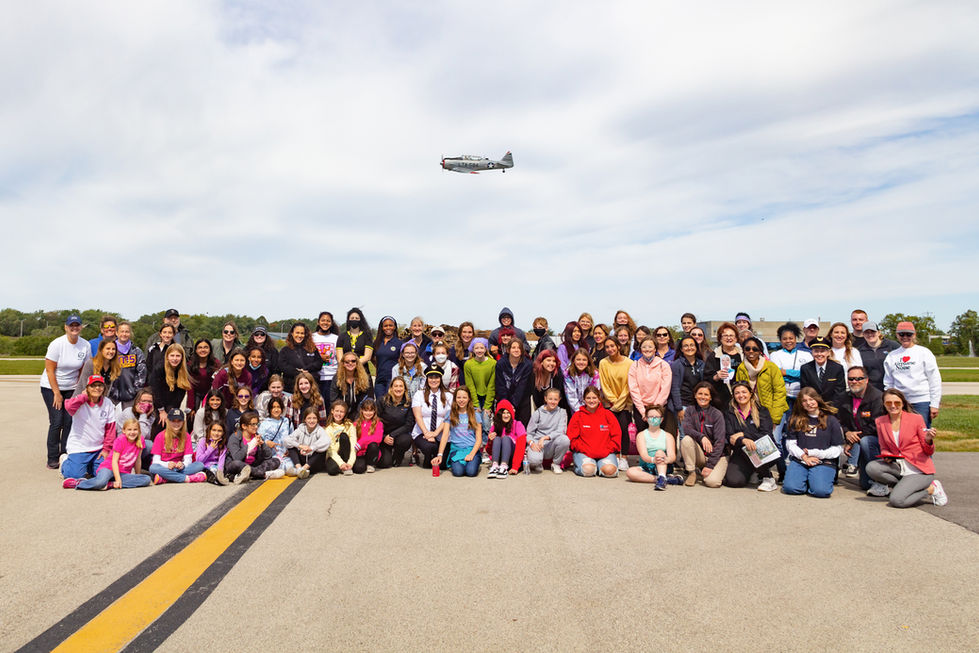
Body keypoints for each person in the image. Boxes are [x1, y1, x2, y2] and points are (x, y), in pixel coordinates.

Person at [866, 389, 948, 507]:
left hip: (919, 470)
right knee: (872, 468)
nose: (893, 406)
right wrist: (886, 456)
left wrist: (928, 440)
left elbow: (928, 451)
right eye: (889, 403)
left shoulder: (916, 419)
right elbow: (883, 446)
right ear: (884, 404)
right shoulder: (880, 421)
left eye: (897, 403)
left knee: (896, 501)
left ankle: (931, 489)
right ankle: (903, 487)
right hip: (899, 467)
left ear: (903, 403)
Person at [768, 323, 813, 481]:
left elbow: (807, 374)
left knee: (797, 435)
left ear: (796, 339)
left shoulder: (806, 355)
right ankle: (782, 470)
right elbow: (776, 375)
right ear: (780, 340)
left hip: (800, 401)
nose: (788, 341)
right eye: (784, 338)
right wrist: (796, 374)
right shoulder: (775, 355)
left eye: (791, 338)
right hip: (781, 400)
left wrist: (787, 372)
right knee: (777, 435)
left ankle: (797, 467)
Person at [781, 388, 844, 498]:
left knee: (820, 491)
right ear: (801, 404)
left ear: (817, 399)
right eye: (804, 401)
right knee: (791, 488)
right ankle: (808, 479)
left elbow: (837, 449)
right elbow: (790, 444)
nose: (808, 403)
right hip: (801, 460)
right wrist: (804, 456)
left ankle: (815, 480)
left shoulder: (831, 420)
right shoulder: (795, 419)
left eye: (811, 399)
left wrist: (818, 454)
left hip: (824, 461)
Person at [64, 418, 153, 491]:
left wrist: (137, 476)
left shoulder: (140, 440)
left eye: (135, 429)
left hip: (123, 472)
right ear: (124, 431)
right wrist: (118, 479)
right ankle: (79, 483)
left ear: (139, 431)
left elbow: (138, 460)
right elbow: (114, 462)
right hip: (109, 468)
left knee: (146, 479)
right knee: (101, 482)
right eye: (129, 429)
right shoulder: (120, 440)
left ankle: (111, 484)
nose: (132, 432)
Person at [883, 322, 942, 427]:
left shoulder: (924, 353)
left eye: (908, 334)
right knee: (901, 433)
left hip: (921, 401)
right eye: (901, 334)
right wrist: (890, 400)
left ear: (914, 334)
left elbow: (934, 380)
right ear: (897, 335)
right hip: (899, 402)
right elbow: (889, 382)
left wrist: (934, 404)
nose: (905, 337)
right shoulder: (892, 356)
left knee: (922, 433)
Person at [836, 366, 885, 490]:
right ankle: (872, 479)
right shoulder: (844, 398)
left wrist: (854, 439)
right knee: (865, 484)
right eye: (851, 379)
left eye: (859, 378)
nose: (854, 382)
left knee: (866, 441)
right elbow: (841, 421)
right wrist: (847, 433)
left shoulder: (877, 398)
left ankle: (880, 478)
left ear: (866, 380)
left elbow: (875, 425)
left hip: (876, 441)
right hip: (859, 439)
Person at [59, 375, 115, 481]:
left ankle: (89, 466)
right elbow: (68, 407)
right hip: (80, 447)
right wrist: (83, 397)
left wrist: (107, 449)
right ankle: (65, 462)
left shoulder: (107, 403)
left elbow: (110, 429)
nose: (97, 388)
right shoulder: (80, 402)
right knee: (75, 476)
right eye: (93, 386)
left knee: (105, 474)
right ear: (87, 388)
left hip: (98, 449)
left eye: (100, 385)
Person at [723, 382, 777, 491]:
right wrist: (743, 440)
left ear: (751, 393)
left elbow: (766, 434)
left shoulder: (762, 410)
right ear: (733, 395)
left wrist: (743, 435)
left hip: (763, 450)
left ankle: (768, 478)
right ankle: (753, 471)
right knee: (734, 481)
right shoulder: (729, 413)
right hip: (741, 452)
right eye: (737, 393)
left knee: (753, 449)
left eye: (744, 392)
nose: (741, 395)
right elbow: (730, 436)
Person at [734, 336, 788, 433]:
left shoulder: (771, 367)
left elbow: (780, 393)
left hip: (771, 411)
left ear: (760, 351)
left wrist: (774, 419)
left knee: (773, 442)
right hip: (751, 412)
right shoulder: (741, 368)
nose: (751, 351)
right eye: (747, 349)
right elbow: (739, 392)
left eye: (755, 349)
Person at [680, 382, 727, 488]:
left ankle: (711, 470)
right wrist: (702, 437)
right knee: (686, 440)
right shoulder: (690, 410)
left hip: (717, 455)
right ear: (695, 395)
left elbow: (720, 442)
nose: (703, 397)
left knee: (712, 482)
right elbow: (686, 429)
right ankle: (692, 472)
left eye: (706, 394)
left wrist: (710, 465)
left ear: (711, 398)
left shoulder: (717, 414)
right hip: (700, 454)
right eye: (700, 394)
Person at [567, 385, 621, 477]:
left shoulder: (608, 415)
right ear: (584, 400)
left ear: (599, 399)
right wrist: (585, 449)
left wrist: (607, 450)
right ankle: (587, 466)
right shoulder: (578, 416)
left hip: (605, 453)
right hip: (584, 452)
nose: (591, 401)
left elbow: (616, 436)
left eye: (594, 398)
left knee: (610, 471)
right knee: (588, 470)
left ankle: (599, 465)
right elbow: (571, 439)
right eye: (588, 398)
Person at [432, 386, 484, 478]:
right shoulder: (450, 413)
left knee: (471, 472)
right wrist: (440, 455)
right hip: (456, 450)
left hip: (471, 449)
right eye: (459, 397)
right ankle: (458, 462)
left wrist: (472, 454)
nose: (461, 400)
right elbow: (445, 436)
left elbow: (479, 439)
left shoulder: (476, 415)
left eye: (464, 397)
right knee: (458, 472)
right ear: (455, 399)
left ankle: (475, 460)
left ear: (469, 399)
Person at [598, 337, 633, 471]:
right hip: (609, 403)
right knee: (611, 430)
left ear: (618, 346)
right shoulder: (603, 363)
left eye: (612, 346)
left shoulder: (629, 363)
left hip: (625, 403)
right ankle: (614, 455)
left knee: (623, 428)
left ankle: (624, 458)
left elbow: (628, 385)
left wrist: (619, 403)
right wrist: (612, 401)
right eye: (607, 347)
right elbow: (604, 384)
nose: (610, 349)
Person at [625, 405, 677, 490]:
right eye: (651, 416)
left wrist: (666, 460)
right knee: (630, 472)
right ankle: (663, 479)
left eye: (656, 417)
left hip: (663, 464)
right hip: (647, 465)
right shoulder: (641, 435)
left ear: (662, 419)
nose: (653, 419)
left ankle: (662, 475)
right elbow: (643, 455)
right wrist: (653, 460)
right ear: (646, 418)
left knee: (659, 452)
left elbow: (672, 456)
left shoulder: (668, 436)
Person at [148, 409, 207, 484]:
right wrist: (167, 464)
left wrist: (183, 464)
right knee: (153, 468)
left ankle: (166, 478)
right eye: (173, 421)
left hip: (179, 468)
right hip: (165, 467)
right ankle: (187, 478)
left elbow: (188, 459)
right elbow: (156, 460)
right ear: (168, 421)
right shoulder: (160, 436)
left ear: (183, 422)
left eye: (179, 421)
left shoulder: (186, 436)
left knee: (200, 465)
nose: (176, 423)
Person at [628, 337, 673, 433]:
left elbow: (665, 388)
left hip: (659, 408)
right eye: (644, 347)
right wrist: (643, 411)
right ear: (640, 349)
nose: (647, 349)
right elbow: (633, 389)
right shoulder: (635, 365)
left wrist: (655, 410)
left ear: (655, 349)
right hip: (641, 409)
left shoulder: (663, 365)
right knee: (642, 439)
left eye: (650, 347)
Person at [411, 366, 452, 468]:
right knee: (430, 447)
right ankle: (428, 457)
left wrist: (435, 433)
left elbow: (448, 417)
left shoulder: (448, 396)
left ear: (441, 379)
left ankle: (435, 455)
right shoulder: (419, 394)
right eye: (431, 377)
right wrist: (427, 433)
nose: (434, 380)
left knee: (442, 465)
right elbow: (418, 416)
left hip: (441, 433)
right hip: (422, 433)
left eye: (436, 377)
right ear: (427, 379)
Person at [226, 410, 283, 482]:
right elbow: (237, 457)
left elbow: (268, 457)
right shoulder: (235, 437)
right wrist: (250, 444)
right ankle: (263, 475)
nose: (256, 427)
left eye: (257, 424)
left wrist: (263, 445)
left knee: (276, 460)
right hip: (238, 465)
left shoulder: (256, 436)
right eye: (253, 424)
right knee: (236, 463)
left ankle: (250, 475)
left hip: (254, 465)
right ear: (244, 426)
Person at [149, 343, 191, 436]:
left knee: (174, 421)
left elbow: (181, 392)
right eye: (172, 355)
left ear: (182, 357)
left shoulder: (184, 369)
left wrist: (172, 410)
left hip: (172, 402)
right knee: (162, 422)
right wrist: (162, 411)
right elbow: (155, 391)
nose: (175, 359)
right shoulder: (159, 368)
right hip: (158, 401)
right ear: (167, 357)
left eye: (177, 356)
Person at [525, 387, 570, 473]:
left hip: (552, 443)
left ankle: (556, 464)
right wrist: (531, 443)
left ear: (559, 400)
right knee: (534, 460)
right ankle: (537, 463)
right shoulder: (538, 413)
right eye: (550, 399)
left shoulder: (562, 412)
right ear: (545, 399)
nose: (553, 402)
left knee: (565, 440)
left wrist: (545, 438)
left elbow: (561, 431)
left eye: (555, 399)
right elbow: (529, 433)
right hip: (538, 444)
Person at [668, 336, 705, 436]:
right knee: (685, 435)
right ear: (681, 349)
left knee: (699, 434)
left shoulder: (701, 364)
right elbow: (674, 388)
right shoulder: (677, 365)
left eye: (692, 345)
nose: (689, 348)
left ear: (696, 347)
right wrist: (679, 408)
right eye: (686, 346)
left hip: (698, 405)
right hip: (683, 405)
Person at [283, 407, 332, 478]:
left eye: (314, 418)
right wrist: (300, 446)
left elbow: (326, 441)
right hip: (302, 458)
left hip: (313, 463)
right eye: (309, 418)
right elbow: (286, 440)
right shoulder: (300, 428)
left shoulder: (320, 430)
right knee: (291, 446)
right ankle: (299, 469)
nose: (311, 421)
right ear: (305, 419)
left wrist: (311, 448)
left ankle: (302, 469)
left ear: (318, 419)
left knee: (322, 450)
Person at [495, 338, 533, 426]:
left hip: (522, 401)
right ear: (508, 350)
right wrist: (507, 404)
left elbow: (522, 386)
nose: (516, 350)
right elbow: (500, 385)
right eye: (513, 347)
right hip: (505, 399)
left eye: (519, 348)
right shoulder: (500, 364)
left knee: (521, 427)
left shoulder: (528, 364)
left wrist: (513, 405)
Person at [704, 322, 742, 409]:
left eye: (731, 335)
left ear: (736, 338)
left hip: (742, 397)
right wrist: (716, 376)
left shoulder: (743, 353)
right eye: (725, 335)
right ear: (720, 338)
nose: (729, 338)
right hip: (722, 400)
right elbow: (706, 377)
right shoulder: (714, 356)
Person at [485, 399, 527, 478]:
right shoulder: (494, 427)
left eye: (508, 413)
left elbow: (521, 447)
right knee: (497, 439)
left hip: (512, 459)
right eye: (503, 413)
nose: (506, 415)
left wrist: (515, 467)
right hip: (498, 458)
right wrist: (490, 441)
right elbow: (489, 451)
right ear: (499, 414)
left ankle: (504, 467)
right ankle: (495, 467)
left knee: (506, 438)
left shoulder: (518, 424)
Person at [799, 337, 846, 406]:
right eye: (816, 351)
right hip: (812, 407)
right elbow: (805, 391)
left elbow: (840, 392)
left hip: (832, 408)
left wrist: (829, 408)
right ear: (812, 352)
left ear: (828, 352)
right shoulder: (805, 368)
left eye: (822, 351)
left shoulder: (837, 368)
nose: (819, 354)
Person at [463, 338, 496, 436]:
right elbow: (470, 385)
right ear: (472, 349)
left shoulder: (492, 363)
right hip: (474, 397)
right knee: (476, 423)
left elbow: (492, 385)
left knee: (486, 423)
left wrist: (487, 405)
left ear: (486, 349)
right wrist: (476, 404)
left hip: (487, 397)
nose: (479, 350)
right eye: (476, 348)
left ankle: (486, 447)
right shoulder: (468, 364)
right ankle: (476, 445)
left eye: (482, 348)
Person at [378, 377, 413, 468]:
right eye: (396, 386)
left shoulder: (408, 403)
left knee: (406, 439)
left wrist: (392, 435)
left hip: (398, 435)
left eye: (401, 386)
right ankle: (386, 453)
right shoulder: (382, 401)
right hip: (383, 436)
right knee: (385, 463)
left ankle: (398, 455)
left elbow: (409, 424)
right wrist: (384, 437)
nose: (398, 389)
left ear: (405, 388)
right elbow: (375, 421)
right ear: (391, 388)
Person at [257, 396, 296, 477]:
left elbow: (292, 438)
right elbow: (259, 440)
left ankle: (287, 471)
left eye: (278, 407)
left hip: (286, 456)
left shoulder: (287, 422)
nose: (276, 409)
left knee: (290, 468)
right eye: (273, 407)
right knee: (277, 467)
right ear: (269, 409)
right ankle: (273, 473)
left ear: (282, 408)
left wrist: (290, 450)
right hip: (272, 456)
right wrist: (267, 442)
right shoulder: (264, 424)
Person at [855, 321, 899, 392]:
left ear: (879, 332)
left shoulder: (892, 346)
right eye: (867, 332)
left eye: (873, 331)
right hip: (871, 391)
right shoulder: (859, 351)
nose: (870, 334)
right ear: (863, 334)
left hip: (892, 388)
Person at [278, 322, 322, 392]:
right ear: (292, 333)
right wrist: (298, 372)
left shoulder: (312, 348)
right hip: (291, 389)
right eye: (297, 333)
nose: (300, 335)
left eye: (302, 333)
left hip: (311, 389)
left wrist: (307, 369)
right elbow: (282, 366)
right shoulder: (285, 350)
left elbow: (319, 363)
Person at [329, 351, 373, 420]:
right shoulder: (337, 379)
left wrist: (358, 417)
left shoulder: (364, 378)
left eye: (353, 361)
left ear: (357, 363)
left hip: (358, 414)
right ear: (343, 364)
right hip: (341, 414)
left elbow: (365, 399)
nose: (350, 363)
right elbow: (333, 400)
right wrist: (341, 414)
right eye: (347, 362)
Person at [111, 322, 146, 409]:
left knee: (129, 421)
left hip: (131, 396)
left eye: (127, 331)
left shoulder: (137, 351)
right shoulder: (110, 350)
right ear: (116, 333)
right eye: (122, 331)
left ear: (130, 333)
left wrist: (135, 390)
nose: (124, 334)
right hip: (112, 397)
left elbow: (142, 372)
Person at [371, 315, 403, 400]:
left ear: (394, 327)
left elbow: (402, 360)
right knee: (379, 402)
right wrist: (378, 367)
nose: (388, 328)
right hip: (379, 379)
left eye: (390, 325)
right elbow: (371, 357)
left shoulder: (399, 343)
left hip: (392, 378)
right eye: (385, 326)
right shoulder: (377, 342)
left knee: (390, 402)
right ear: (382, 328)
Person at [323, 400, 358, 476]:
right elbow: (330, 450)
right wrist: (341, 463)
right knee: (332, 470)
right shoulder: (328, 429)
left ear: (345, 413)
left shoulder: (350, 425)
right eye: (337, 411)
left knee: (343, 436)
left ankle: (347, 466)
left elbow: (353, 445)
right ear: (332, 411)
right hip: (334, 455)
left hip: (346, 454)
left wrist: (350, 462)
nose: (339, 414)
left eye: (341, 412)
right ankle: (343, 467)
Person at [311, 312, 340, 401]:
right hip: (316, 377)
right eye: (323, 320)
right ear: (318, 322)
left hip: (331, 377)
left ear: (331, 323)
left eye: (328, 321)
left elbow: (339, 358)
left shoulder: (336, 338)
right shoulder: (312, 337)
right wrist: (320, 358)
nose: (325, 323)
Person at [337, 307, 374, 377]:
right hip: (345, 372)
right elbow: (339, 358)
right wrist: (348, 366)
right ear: (348, 320)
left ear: (361, 320)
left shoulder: (367, 336)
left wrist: (353, 364)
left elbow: (367, 356)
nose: (354, 320)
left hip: (363, 372)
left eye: (357, 318)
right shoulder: (342, 336)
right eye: (352, 318)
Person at [186, 338, 220, 413]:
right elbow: (190, 387)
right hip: (195, 393)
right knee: (191, 417)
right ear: (196, 350)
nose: (203, 350)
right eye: (200, 348)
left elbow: (216, 384)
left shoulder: (216, 364)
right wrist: (191, 407)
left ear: (210, 349)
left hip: (210, 393)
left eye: (206, 347)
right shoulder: (190, 364)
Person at [564, 348, 601, 414]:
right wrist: (581, 411)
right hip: (576, 410)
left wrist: (589, 409)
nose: (581, 362)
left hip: (592, 407)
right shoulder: (568, 374)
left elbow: (595, 393)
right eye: (578, 359)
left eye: (584, 360)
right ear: (574, 360)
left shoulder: (594, 374)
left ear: (588, 361)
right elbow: (571, 396)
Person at [352, 398, 383, 474]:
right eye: (366, 410)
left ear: (374, 411)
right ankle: (362, 463)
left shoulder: (378, 423)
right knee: (358, 469)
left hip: (371, 452)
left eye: (370, 410)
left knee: (373, 445)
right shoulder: (356, 423)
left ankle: (371, 464)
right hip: (359, 452)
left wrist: (362, 441)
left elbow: (378, 438)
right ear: (361, 411)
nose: (368, 413)